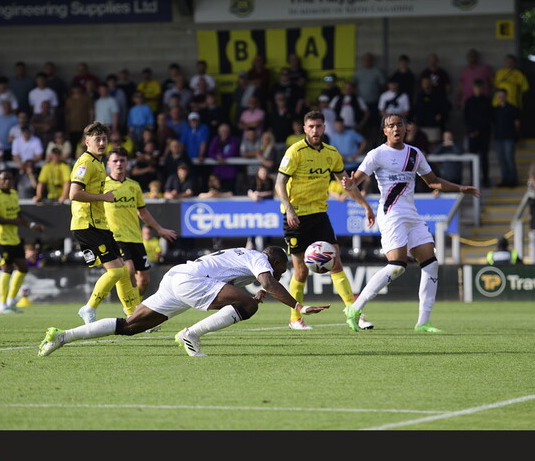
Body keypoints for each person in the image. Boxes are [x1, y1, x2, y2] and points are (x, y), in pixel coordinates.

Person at [37, 246, 329, 358]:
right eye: (282, 268)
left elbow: (249, 283)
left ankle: (62, 336)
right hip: (192, 281)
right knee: (248, 307)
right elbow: (268, 281)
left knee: (130, 326)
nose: (281, 272)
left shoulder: (244, 257)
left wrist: (257, 292)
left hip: (177, 277)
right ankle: (191, 335)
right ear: (274, 260)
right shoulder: (260, 258)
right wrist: (297, 307)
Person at [342, 114, 480, 332]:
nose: (395, 128)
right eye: (390, 125)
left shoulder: (415, 154)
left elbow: (433, 181)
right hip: (391, 214)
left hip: (412, 215)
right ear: (384, 131)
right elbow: (354, 181)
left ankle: (423, 322)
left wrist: (461, 188)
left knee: (431, 263)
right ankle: (355, 308)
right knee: (397, 266)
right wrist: (350, 183)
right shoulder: (376, 154)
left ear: (406, 128)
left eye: (399, 125)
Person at [275, 110, 377, 330]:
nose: (315, 130)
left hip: (320, 214)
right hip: (296, 216)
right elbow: (279, 184)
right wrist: (290, 210)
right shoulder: (295, 152)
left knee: (335, 261)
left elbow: (347, 185)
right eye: (311, 126)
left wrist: (366, 206)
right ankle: (295, 319)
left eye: (319, 126)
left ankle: (354, 311)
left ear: (324, 128)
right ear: (304, 129)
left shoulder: (331, 153)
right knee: (301, 271)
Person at [69, 122, 140, 325]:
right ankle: (89, 308)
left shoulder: (98, 162)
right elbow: (73, 194)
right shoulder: (86, 163)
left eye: (104, 139)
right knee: (116, 271)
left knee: (124, 271)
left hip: (99, 224)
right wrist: (103, 198)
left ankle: (134, 316)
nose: (101, 143)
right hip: (86, 224)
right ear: (86, 142)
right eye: (97, 139)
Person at [104, 148, 178, 313]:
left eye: (122, 160)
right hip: (116, 237)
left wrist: (159, 229)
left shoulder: (134, 186)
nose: (119, 164)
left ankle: (136, 307)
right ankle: (134, 310)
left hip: (136, 238)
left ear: (127, 163)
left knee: (144, 281)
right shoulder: (102, 186)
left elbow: (142, 212)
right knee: (128, 270)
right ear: (108, 164)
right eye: (115, 161)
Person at [0, 169, 45, 314]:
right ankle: (2, 305)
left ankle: (11, 301)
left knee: (23, 267)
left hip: (14, 238)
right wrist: (12, 221)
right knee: (6, 269)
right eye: (3, 179)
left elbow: (18, 215)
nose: (6, 181)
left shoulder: (13, 194)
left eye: (9, 179)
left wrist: (31, 225)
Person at [462, 78, 493, 187]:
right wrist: (471, 131)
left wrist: (478, 130)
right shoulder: (469, 101)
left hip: (484, 134)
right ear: (473, 88)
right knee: (472, 157)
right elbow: (466, 118)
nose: (478, 90)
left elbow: (488, 117)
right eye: (476, 87)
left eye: (480, 88)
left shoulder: (487, 101)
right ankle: (473, 179)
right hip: (472, 134)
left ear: (482, 88)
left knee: (484, 157)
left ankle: (485, 179)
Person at [492, 88, 521, 187]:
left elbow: (516, 123)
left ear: (506, 96)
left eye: (502, 96)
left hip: (509, 137)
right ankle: (505, 179)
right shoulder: (495, 109)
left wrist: (516, 136)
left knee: (509, 159)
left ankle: (513, 180)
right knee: (501, 159)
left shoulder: (512, 108)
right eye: (499, 96)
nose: (501, 98)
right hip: (498, 138)